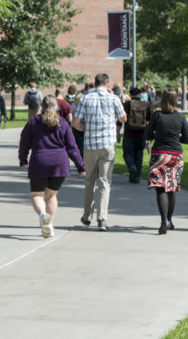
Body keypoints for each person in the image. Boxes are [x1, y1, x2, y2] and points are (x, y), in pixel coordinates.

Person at [19, 95, 85, 238]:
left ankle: (43, 216)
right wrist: (81, 166)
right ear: (57, 107)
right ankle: (49, 224)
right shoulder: (63, 123)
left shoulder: (33, 122)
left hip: (39, 162)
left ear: (41, 107)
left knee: (37, 195)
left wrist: (23, 159)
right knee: (51, 195)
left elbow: (24, 143)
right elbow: (72, 148)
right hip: (59, 164)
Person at [72, 73, 127, 231]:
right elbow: (124, 118)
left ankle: (87, 215)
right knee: (104, 182)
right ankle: (102, 218)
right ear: (107, 84)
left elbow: (75, 122)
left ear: (95, 83)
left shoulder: (86, 99)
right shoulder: (113, 98)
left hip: (90, 144)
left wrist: (85, 129)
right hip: (108, 145)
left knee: (89, 180)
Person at [144, 89, 188, 235]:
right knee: (171, 188)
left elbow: (147, 134)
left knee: (160, 188)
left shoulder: (156, 115)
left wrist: (156, 135)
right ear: (176, 99)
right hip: (175, 156)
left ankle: (163, 220)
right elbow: (187, 140)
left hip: (159, 155)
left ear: (163, 99)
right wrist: (177, 137)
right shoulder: (181, 117)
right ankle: (169, 220)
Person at [122, 87, 151, 183]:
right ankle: (137, 177)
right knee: (139, 156)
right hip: (142, 134)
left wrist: (117, 132)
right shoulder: (145, 104)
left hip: (128, 134)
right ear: (139, 94)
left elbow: (120, 119)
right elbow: (150, 119)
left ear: (130, 94)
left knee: (127, 154)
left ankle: (131, 166)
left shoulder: (126, 104)